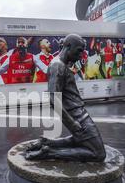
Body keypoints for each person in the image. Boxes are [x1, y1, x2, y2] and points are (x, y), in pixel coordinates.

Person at [25, 34, 106, 162]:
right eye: (79, 51)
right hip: (78, 116)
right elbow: (53, 99)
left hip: (79, 114)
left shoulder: (61, 64)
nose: (81, 55)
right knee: (99, 154)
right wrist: (72, 124)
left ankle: (47, 142)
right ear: (68, 46)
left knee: (81, 141)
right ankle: (50, 153)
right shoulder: (58, 66)